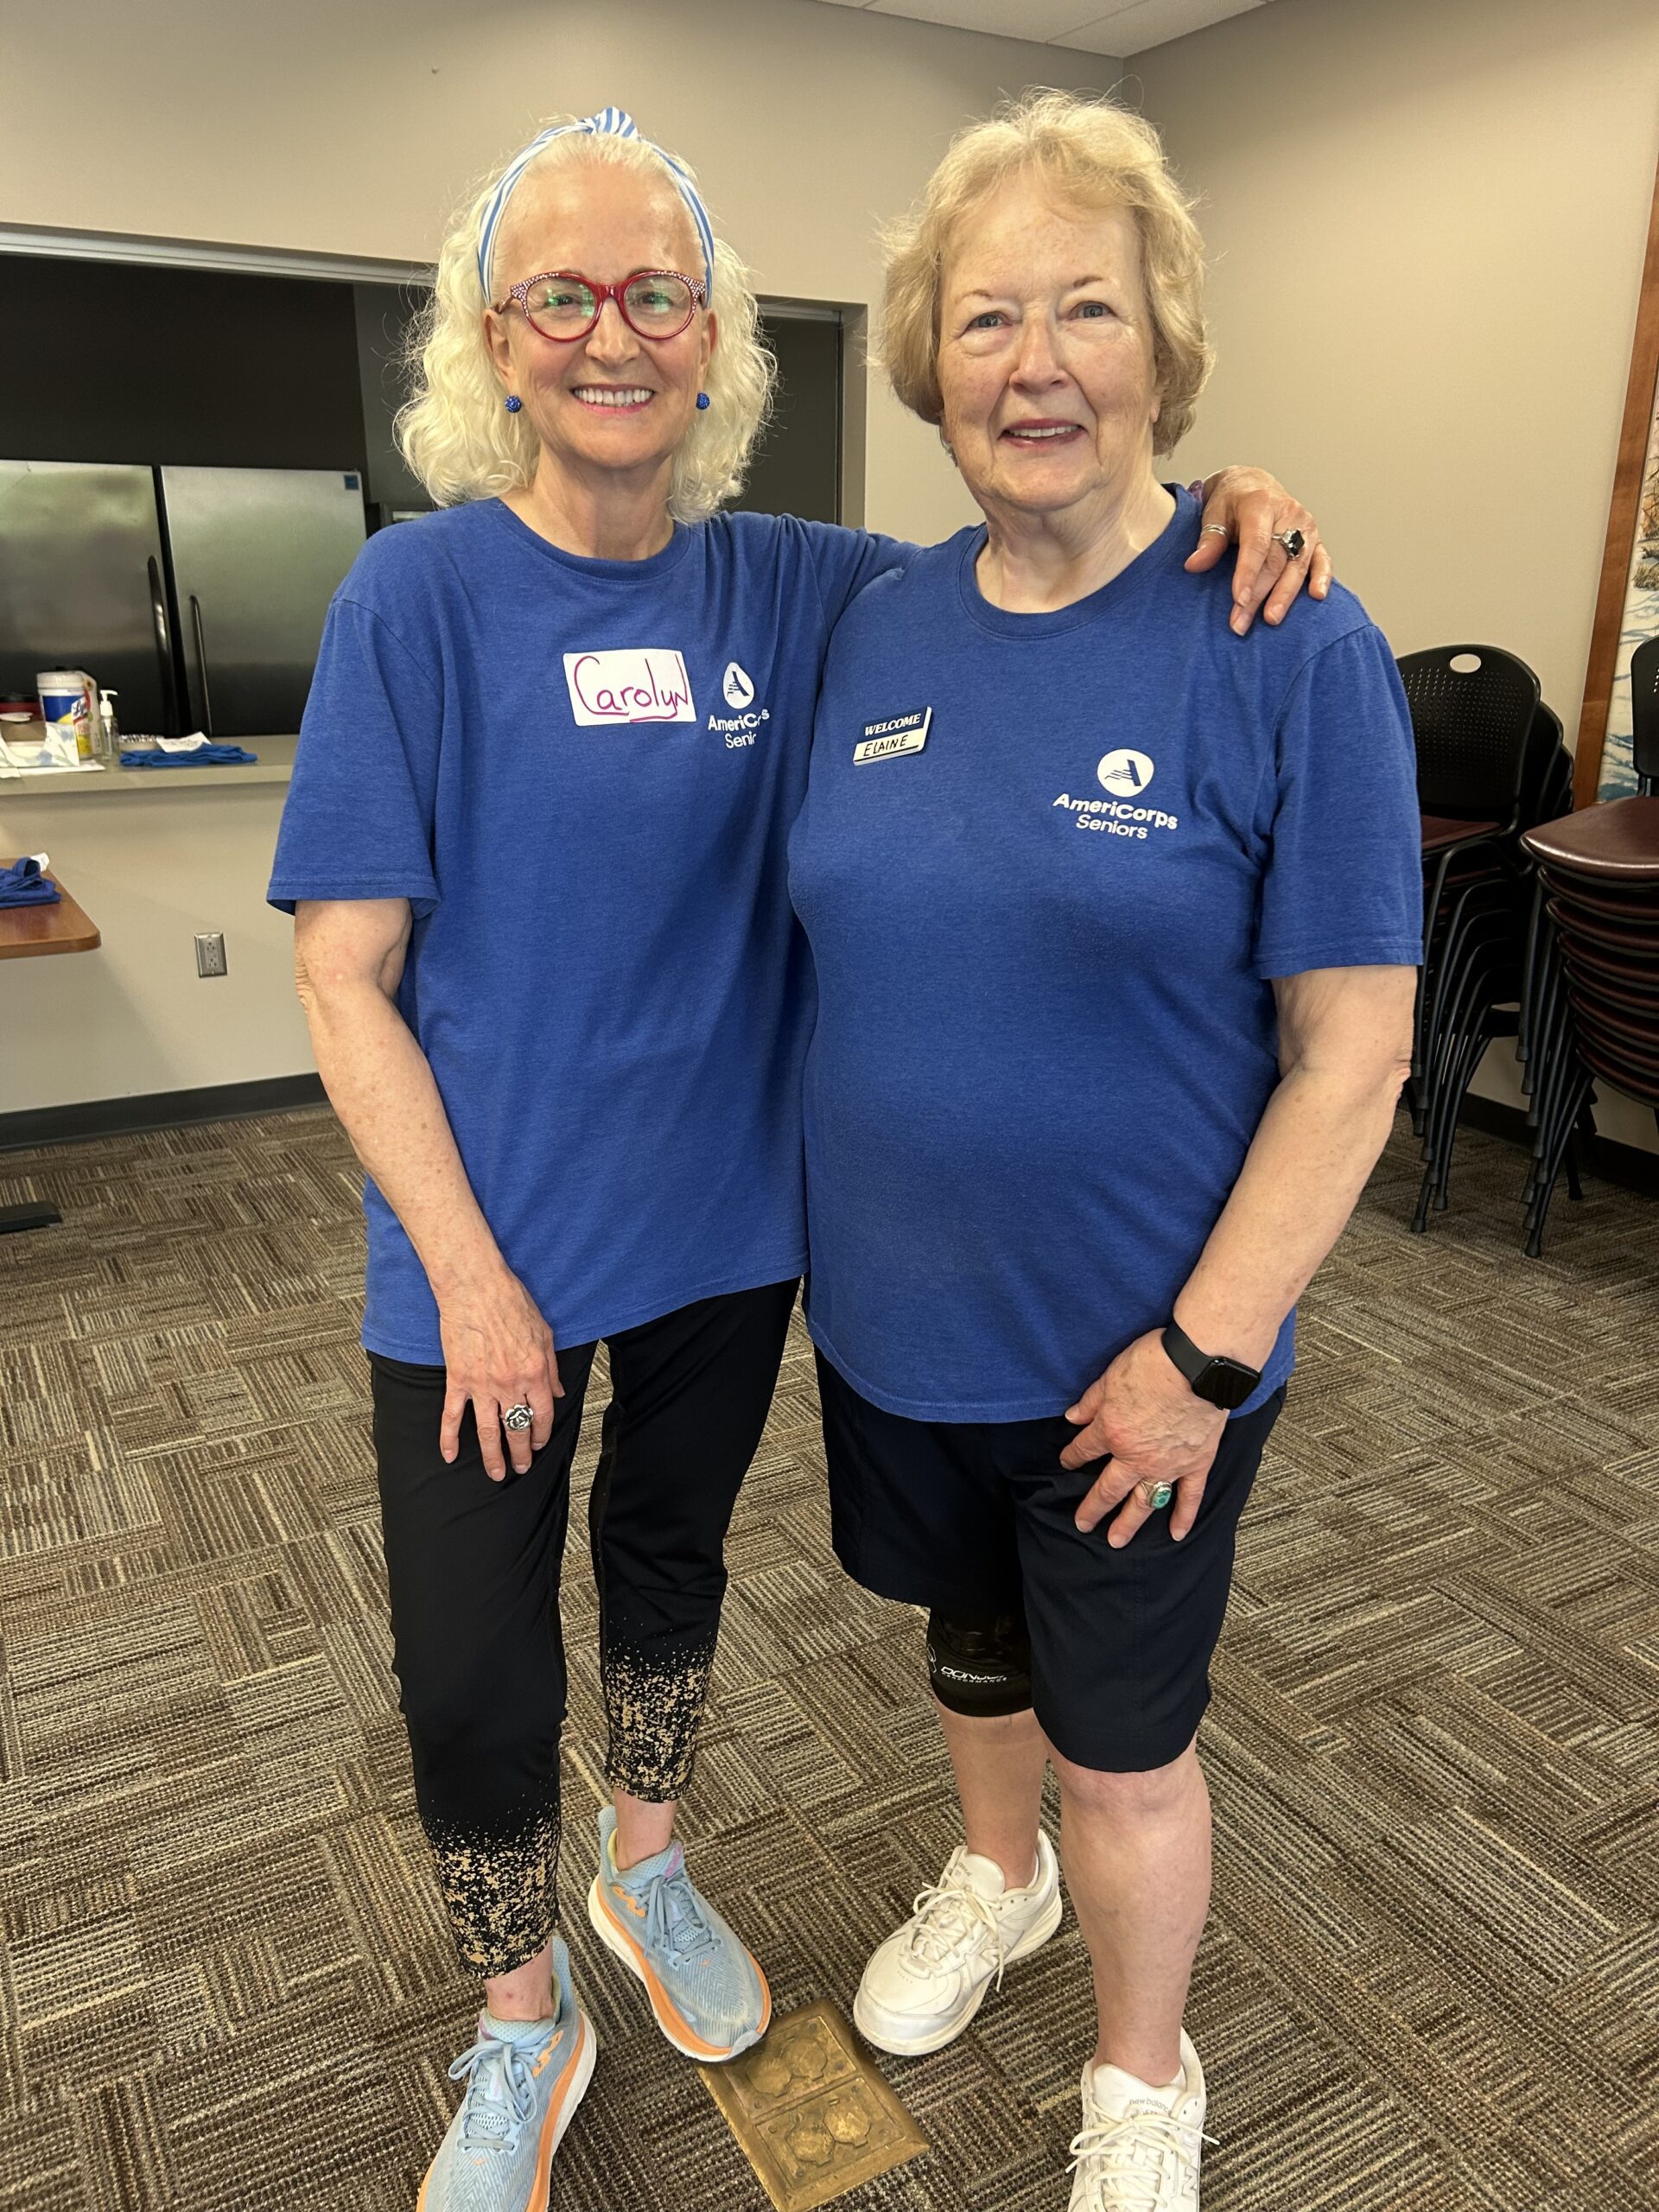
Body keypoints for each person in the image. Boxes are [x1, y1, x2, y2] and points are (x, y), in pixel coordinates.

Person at [267, 103, 1327, 2212]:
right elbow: (341, 979)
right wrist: (471, 1273)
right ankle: (517, 2017)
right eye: (562, 295)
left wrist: (1235, 497)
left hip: (729, 1239)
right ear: (496, 337)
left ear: (715, 336)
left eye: (659, 292)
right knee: (474, 1661)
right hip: (483, 1261)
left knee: (669, 1581)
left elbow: (1049, 546)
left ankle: (646, 1877)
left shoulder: (803, 588)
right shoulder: (417, 595)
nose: (613, 335)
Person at [788, 91, 1423, 2212]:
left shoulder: (1289, 639)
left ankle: (1148, 2071)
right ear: (925, 368)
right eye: (986, 320)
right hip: (895, 1325)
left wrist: (1206, 1357)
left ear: (1163, 347)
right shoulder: (862, 624)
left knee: (1125, 1743)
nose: (1035, 361)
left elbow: (1355, 1048)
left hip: (1138, 1359)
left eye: (1087, 310)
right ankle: (995, 1878)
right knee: (972, 1652)